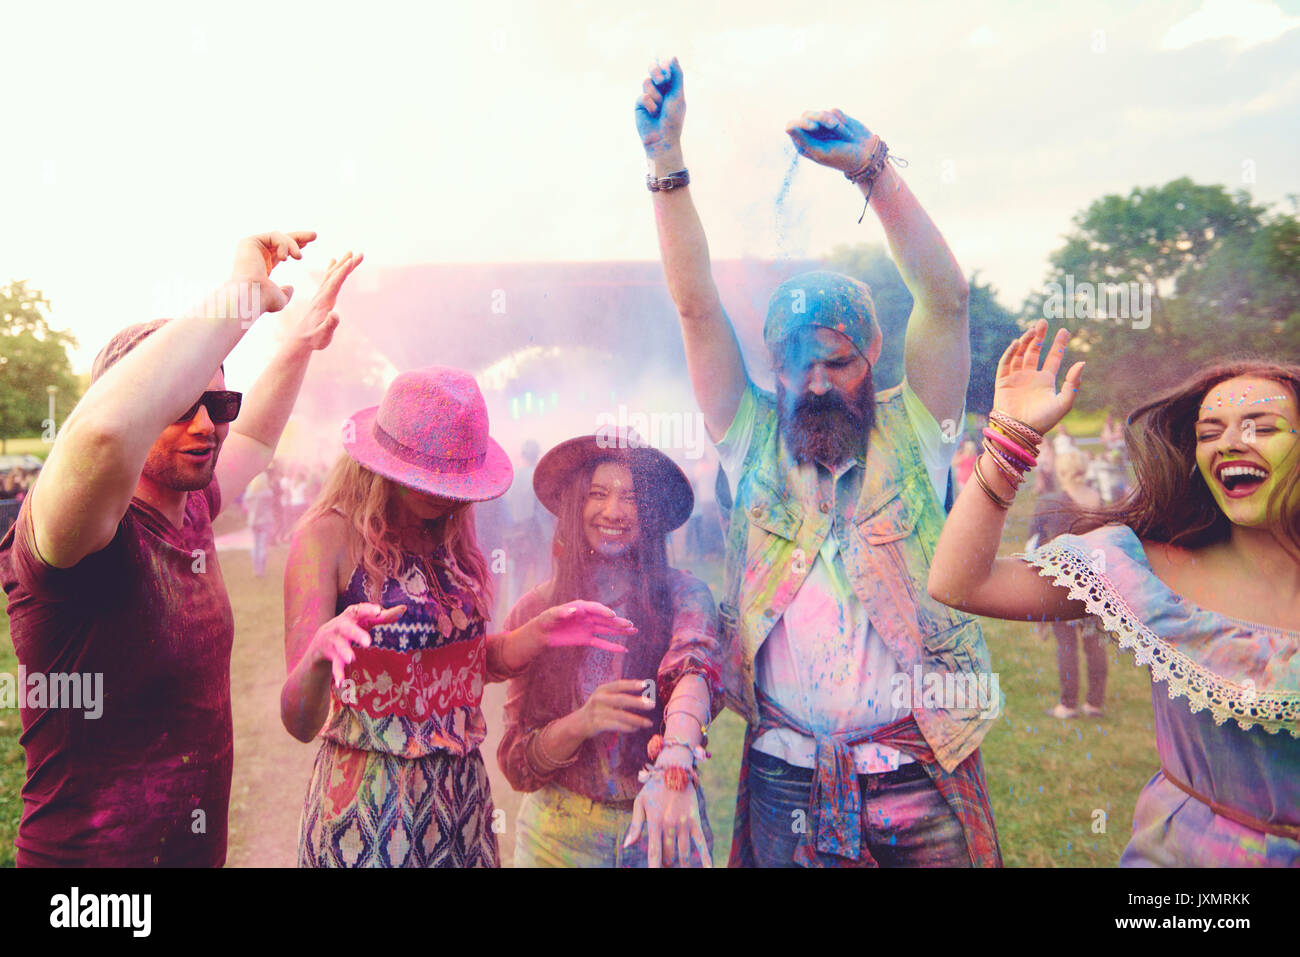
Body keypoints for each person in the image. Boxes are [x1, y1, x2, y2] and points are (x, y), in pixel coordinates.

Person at [635, 58, 1001, 868]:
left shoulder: (920, 429)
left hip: (922, 769)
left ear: (872, 351)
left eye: (836, 360)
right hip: (787, 775)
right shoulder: (751, 434)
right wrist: (667, 162)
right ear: (771, 363)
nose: (815, 381)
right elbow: (696, 308)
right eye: (795, 361)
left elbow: (946, 301)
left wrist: (874, 171)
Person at [0, 231, 355, 866]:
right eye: (178, 405)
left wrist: (296, 345)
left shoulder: (192, 506)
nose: (205, 425)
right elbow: (102, 437)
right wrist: (239, 298)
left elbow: (254, 437)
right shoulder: (77, 539)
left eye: (215, 403)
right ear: (139, 410)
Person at [928, 320, 1300, 866]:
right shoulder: (1144, 570)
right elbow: (960, 582)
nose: (1229, 443)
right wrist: (1011, 438)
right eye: (1209, 431)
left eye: (1261, 427)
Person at [282, 368, 635, 868]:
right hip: (368, 810)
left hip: (459, 804)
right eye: (430, 478)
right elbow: (298, 720)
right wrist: (318, 655)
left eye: (454, 480)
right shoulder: (327, 538)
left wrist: (539, 632)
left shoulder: (451, 537)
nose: (445, 494)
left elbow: (464, 663)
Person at [498, 428, 723, 868]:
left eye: (632, 498)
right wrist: (582, 722)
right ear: (575, 505)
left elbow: (694, 668)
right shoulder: (537, 614)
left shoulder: (685, 596)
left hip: (663, 825)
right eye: (598, 493)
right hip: (557, 840)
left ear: (652, 513)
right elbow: (517, 764)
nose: (613, 511)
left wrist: (675, 761)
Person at [1028, 450, 1107, 719]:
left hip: (1063, 581)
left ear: (1061, 472)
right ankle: (1095, 702)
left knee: (1066, 643)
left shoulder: (1051, 502)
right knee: (1094, 641)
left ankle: (1068, 704)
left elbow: (1034, 541)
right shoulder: (1101, 501)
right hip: (1097, 579)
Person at [244, 466, 279, 577]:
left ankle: (256, 569)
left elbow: (246, 506)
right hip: (265, 521)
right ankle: (261, 571)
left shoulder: (250, 494)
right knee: (262, 546)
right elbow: (272, 505)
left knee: (255, 545)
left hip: (253, 521)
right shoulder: (268, 493)